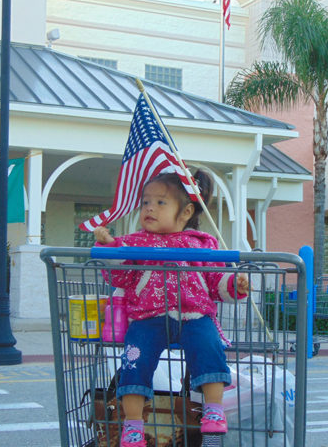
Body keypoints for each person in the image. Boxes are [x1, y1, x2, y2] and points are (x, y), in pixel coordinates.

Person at [93, 169, 249, 447]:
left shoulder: (202, 244)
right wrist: (110, 250)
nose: (149, 207)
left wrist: (234, 284)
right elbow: (121, 277)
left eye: (160, 202)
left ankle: (213, 409)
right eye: (145, 202)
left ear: (186, 211)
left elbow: (215, 282)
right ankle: (132, 424)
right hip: (146, 317)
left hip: (195, 315)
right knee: (134, 361)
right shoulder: (133, 243)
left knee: (210, 347)